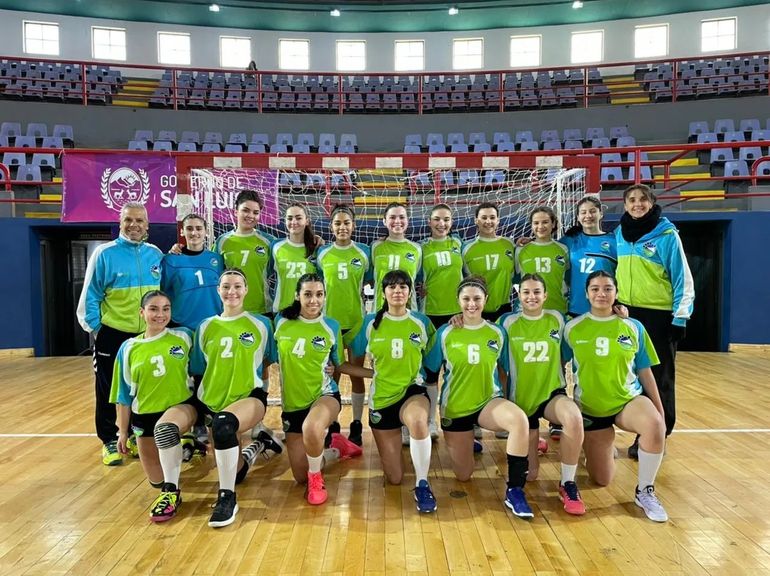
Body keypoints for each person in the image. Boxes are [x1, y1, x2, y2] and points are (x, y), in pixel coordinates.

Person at [424, 276, 535, 519]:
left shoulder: (497, 332)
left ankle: (515, 490)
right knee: (464, 475)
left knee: (519, 420)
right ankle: (464, 440)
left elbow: (506, 370)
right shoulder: (445, 332)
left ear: (486, 300)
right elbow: (429, 371)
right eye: (466, 299)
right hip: (456, 408)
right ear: (458, 301)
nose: (471, 304)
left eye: (477, 298)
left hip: (488, 402)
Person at [563, 271, 669, 522]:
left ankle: (645, 491)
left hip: (627, 401)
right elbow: (556, 365)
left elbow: (645, 370)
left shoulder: (633, 326)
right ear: (586, 294)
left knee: (654, 424)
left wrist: (659, 409)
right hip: (591, 408)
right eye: (595, 289)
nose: (602, 293)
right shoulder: (572, 328)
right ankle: (601, 444)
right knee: (601, 480)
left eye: (608, 288)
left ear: (616, 293)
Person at [77, 201, 164, 466]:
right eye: (128, 220)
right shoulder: (104, 254)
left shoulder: (155, 254)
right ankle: (108, 441)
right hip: (112, 334)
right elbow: (90, 296)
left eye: (139, 221)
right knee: (108, 390)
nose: (134, 225)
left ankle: (136, 438)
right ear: (120, 222)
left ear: (147, 225)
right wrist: (98, 329)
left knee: (141, 388)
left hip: (144, 336)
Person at [273, 274, 367, 505]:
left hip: (324, 395)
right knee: (299, 475)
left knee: (312, 428)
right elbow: (271, 356)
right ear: (297, 296)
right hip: (293, 404)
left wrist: (375, 374)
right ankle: (337, 449)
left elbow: (339, 364)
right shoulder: (280, 322)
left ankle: (317, 479)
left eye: (319, 294)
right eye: (307, 294)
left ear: (325, 296)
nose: (314, 300)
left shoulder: (330, 325)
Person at [615, 184, 694, 459]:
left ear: (652, 203)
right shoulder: (619, 234)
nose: (637, 204)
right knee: (632, 373)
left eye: (643, 200)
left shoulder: (667, 234)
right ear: (625, 205)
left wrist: (680, 317)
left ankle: (658, 429)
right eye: (632, 200)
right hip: (627, 313)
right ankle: (641, 423)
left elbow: (683, 276)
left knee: (659, 377)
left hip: (659, 315)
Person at [191, 269, 275, 528]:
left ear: (246, 290)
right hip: (213, 398)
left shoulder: (261, 324)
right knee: (235, 471)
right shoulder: (205, 327)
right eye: (226, 286)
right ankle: (258, 446)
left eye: (238, 286)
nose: (232, 292)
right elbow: (199, 367)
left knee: (225, 425)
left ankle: (226, 499)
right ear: (218, 290)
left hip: (249, 396)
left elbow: (269, 359)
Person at [349, 270, 437, 513]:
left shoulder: (422, 322)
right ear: (383, 292)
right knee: (395, 477)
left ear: (410, 292)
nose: (397, 291)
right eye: (392, 287)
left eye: (403, 287)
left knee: (419, 422)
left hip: (412, 391)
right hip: (382, 399)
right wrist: (371, 374)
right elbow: (346, 358)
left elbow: (434, 359)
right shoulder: (369, 323)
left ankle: (422, 482)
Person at [498, 274, 586, 515]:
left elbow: (577, 339)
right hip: (521, 399)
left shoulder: (558, 319)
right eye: (526, 292)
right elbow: (498, 363)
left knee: (574, 417)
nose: (531, 296)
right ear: (518, 295)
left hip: (551, 395)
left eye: (537, 292)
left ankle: (568, 483)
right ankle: (535, 439)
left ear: (545, 295)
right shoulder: (506, 323)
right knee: (532, 476)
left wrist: (618, 314)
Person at [110, 290, 200, 522]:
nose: (160, 314)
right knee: (156, 480)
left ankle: (171, 493)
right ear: (142, 313)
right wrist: (122, 432)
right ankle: (180, 456)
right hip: (144, 415)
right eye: (153, 309)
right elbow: (123, 395)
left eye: (166, 309)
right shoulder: (128, 348)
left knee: (166, 430)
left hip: (181, 407)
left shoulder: (184, 336)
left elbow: (202, 373)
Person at [316, 204, 371, 446]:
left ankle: (357, 423)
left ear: (353, 225)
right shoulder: (322, 255)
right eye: (337, 223)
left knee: (357, 374)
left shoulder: (364, 253)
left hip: (356, 322)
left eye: (346, 223)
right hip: (331, 325)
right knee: (334, 375)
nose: (342, 227)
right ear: (331, 227)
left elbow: (372, 282)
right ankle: (334, 424)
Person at [419, 203, 463, 440]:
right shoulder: (421, 248)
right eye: (437, 219)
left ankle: (457, 416)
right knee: (430, 371)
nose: (442, 223)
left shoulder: (459, 245)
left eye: (446, 219)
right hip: (430, 316)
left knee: (456, 369)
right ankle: (429, 420)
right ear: (429, 222)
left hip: (457, 316)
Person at [214, 190, 275, 316]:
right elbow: (212, 272)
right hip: (231, 309)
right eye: (246, 210)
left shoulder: (268, 242)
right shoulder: (222, 241)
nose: (250, 215)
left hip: (262, 310)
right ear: (236, 211)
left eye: (255, 212)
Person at [161, 214, 224, 329]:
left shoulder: (217, 259)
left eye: (199, 228)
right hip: (181, 326)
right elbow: (162, 293)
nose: (194, 233)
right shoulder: (170, 261)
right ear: (182, 232)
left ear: (206, 231)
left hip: (213, 324)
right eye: (189, 228)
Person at [560, 196, 617, 317]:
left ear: (601, 214)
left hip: (605, 307)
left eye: (592, 211)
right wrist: (529, 241)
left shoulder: (614, 241)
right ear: (578, 217)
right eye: (583, 212)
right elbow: (546, 246)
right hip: (576, 307)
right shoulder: (569, 241)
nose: (588, 216)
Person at [462, 202, 516, 322]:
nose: (488, 221)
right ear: (476, 220)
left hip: (504, 308)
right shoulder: (466, 249)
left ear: (498, 220)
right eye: (484, 218)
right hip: (476, 309)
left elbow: (519, 275)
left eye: (492, 217)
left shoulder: (510, 245)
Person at [514, 206, 569, 316]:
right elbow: (515, 280)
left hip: (557, 309)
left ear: (553, 224)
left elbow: (568, 279)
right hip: (527, 311)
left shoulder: (563, 249)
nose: (540, 226)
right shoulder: (520, 250)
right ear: (531, 225)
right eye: (536, 223)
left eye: (545, 222)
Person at [371, 202, 422, 311]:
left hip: (409, 312)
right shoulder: (374, 247)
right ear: (384, 221)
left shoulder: (417, 249)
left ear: (407, 221)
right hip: (379, 311)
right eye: (392, 217)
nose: (397, 221)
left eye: (402, 217)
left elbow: (420, 278)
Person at [271, 203, 319, 314]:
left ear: (307, 221)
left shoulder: (317, 249)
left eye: (298, 218)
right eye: (290, 218)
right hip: (282, 310)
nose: (294, 222)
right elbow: (267, 273)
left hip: (309, 312)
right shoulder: (276, 247)